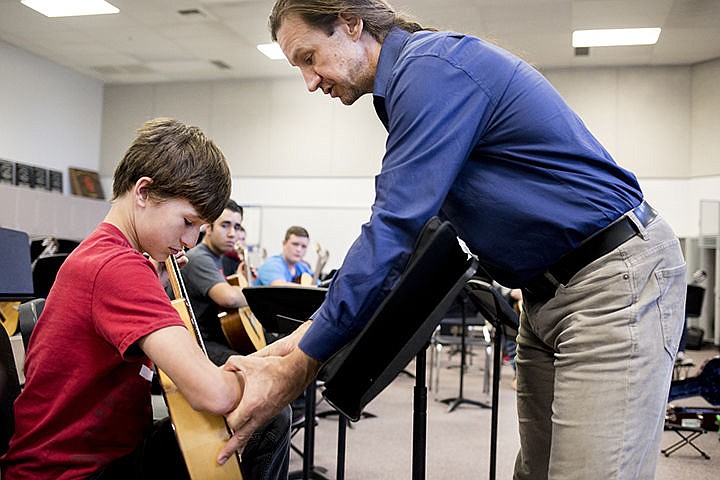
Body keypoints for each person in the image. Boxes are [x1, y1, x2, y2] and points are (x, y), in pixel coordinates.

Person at [217, 2, 687, 479]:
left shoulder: (431, 70)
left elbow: (393, 230)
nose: (310, 81)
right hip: (545, 297)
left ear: (351, 24)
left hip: (611, 280)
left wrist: (301, 365)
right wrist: (303, 339)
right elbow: (419, 242)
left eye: (309, 57)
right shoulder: (403, 89)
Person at [3, 118, 243, 479]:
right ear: (143, 192)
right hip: (72, 471)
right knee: (262, 422)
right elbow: (214, 394)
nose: (191, 241)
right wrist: (267, 374)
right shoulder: (117, 267)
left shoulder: (109, 254)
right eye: (187, 222)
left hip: (100, 453)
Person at [176, 199, 292, 479]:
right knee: (276, 408)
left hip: (224, 341)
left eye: (237, 227)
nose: (232, 233)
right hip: (204, 348)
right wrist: (256, 289)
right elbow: (228, 297)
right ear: (207, 227)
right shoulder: (200, 257)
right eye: (225, 225)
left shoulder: (223, 260)